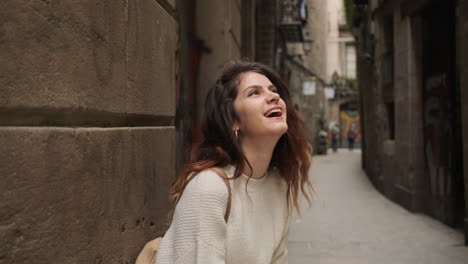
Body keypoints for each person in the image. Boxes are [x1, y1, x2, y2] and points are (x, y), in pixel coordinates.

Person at [156, 61, 313, 263]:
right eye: (254, 93)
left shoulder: (280, 186)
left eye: (273, 90)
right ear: (233, 121)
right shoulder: (209, 187)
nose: (274, 96)